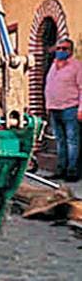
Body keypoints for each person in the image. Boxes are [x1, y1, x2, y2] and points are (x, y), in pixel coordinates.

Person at [44, 38, 82, 181]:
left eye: (64, 49)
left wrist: (80, 109)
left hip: (70, 108)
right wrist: (48, 106)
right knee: (60, 141)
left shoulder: (77, 66)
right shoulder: (53, 66)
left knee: (72, 141)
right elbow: (49, 86)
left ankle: (72, 172)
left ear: (70, 51)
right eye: (58, 48)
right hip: (54, 109)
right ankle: (60, 169)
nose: (60, 51)